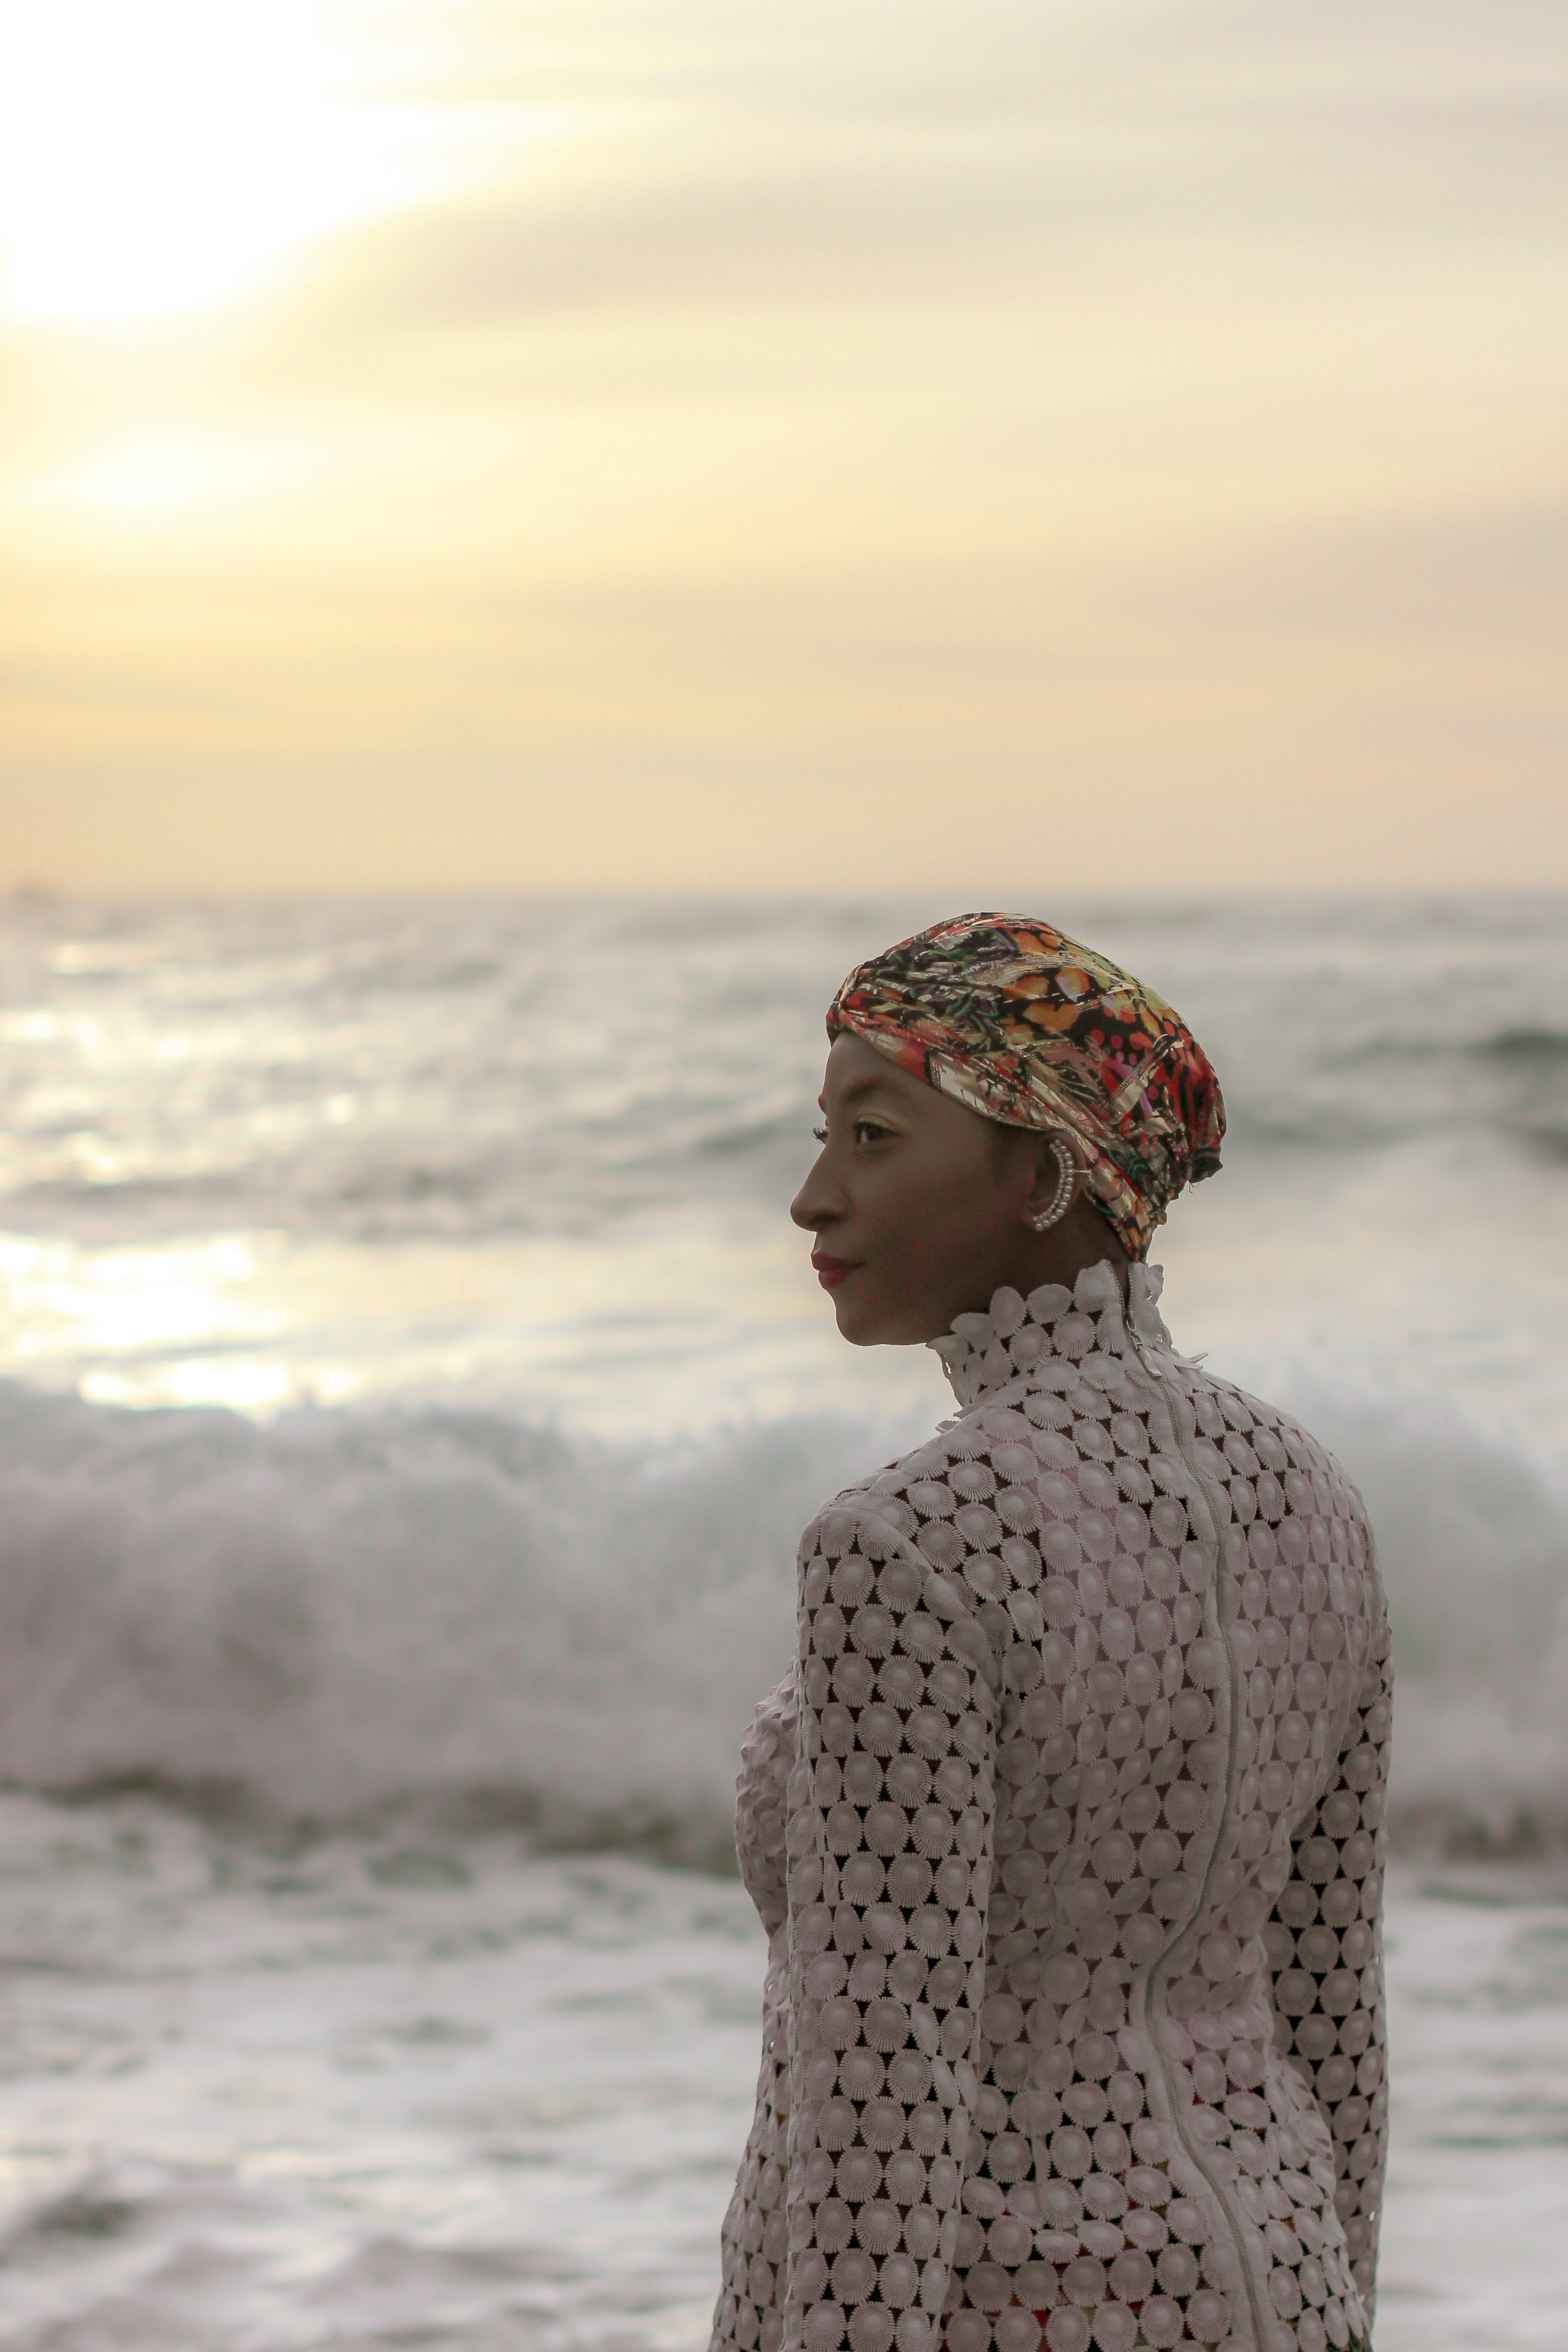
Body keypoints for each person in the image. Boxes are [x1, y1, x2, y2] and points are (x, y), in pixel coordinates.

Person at [710, 915, 1390, 2352]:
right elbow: (1331, 2022)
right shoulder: (1313, 1498)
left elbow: (882, 2096)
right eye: (824, 1138)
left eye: (873, 1136)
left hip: (1014, 2306)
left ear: (1040, 1174)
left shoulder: (908, 1542)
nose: (812, 1198)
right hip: (1291, 2291)